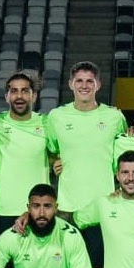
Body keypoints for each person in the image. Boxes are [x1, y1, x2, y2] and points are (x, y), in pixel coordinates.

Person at [45, 61, 122, 257]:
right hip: (67, 210)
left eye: (90, 81)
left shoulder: (114, 117)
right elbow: (51, 150)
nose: (84, 86)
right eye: (79, 81)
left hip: (103, 209)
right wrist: (54, 161)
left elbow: (124, 156)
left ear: (99, 84)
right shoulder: (56, 117)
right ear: (70, 84)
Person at [0, 71, 52, 221]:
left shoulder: (47, 123)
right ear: (6, 97)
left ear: (34, 96)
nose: (19, 96)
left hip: (39, 212)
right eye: (14, 91)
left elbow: (59, 153)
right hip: (3, 212)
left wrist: (58, 161)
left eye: (25, 91)